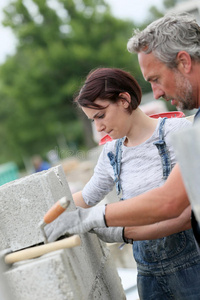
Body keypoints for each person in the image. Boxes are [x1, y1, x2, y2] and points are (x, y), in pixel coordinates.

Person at [45, 67, 200, 299]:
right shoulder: (111, 152)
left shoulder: (177, 133)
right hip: (148, 277)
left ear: (124, 100)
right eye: (91, 120)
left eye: (100, 116)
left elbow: (188, 215)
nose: (98, 128)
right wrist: (46, 217)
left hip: (192, 269)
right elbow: (86, 198)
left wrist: (123, 232)